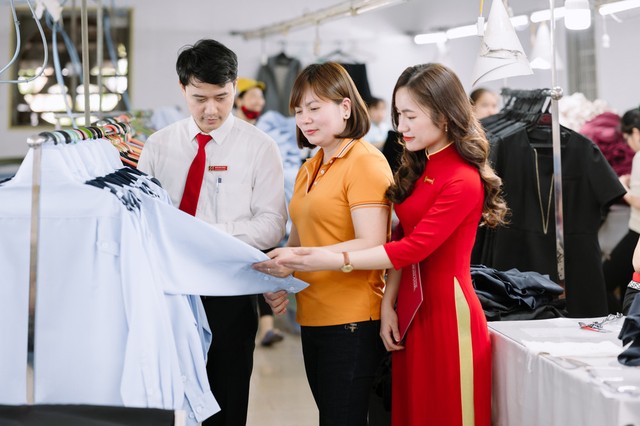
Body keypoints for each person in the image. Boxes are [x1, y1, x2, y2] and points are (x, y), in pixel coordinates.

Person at [257, 63, 508, 426]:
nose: (401, 126)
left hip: (446, 311)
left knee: (450, 411)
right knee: (411, 413)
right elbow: (400, 238)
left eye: (410, 116)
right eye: (398, 115)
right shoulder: (421, 168)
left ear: (444, 115)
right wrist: (390, 302)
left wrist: (326, 259)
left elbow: (412, 248)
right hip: (410, 308)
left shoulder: (462, 179)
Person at [137, 39, 287, 426]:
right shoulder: (158, 146)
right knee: (171, 405)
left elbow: (272, 223)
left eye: (221, 97)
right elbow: (143, 222)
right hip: (171, 293)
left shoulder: (259, 147)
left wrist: (204, 235)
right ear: (182, 88)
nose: (211, 110)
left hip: (230, 294)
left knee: (227, 403)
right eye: (199, 98)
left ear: (235, 87)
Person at [257, 61, 394, 425]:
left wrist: (304, 256)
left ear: (345, 107)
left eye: (314, 108)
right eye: (298, 111)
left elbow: (373, 243)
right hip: (312, 315)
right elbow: (299, 240)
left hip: (352, 320)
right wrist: (280, 276)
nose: (305, 119)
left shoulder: (364, 162)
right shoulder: (310, 166)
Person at [232, 77, 286, 347]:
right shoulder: (229, 132)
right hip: (237, 215)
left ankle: (266, 329)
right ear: (239, 100)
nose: (258, 102)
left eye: (260, 97)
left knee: (265, 263)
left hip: (263, 211)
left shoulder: (266, 132)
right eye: (252, 96)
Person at [604, 107, 640, 313]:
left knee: (604, 280)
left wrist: (621, 187)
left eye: (627, 138)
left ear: (635, 132)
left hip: (636, 232)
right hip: (634, 232)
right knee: (630, 285)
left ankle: (622, 322)